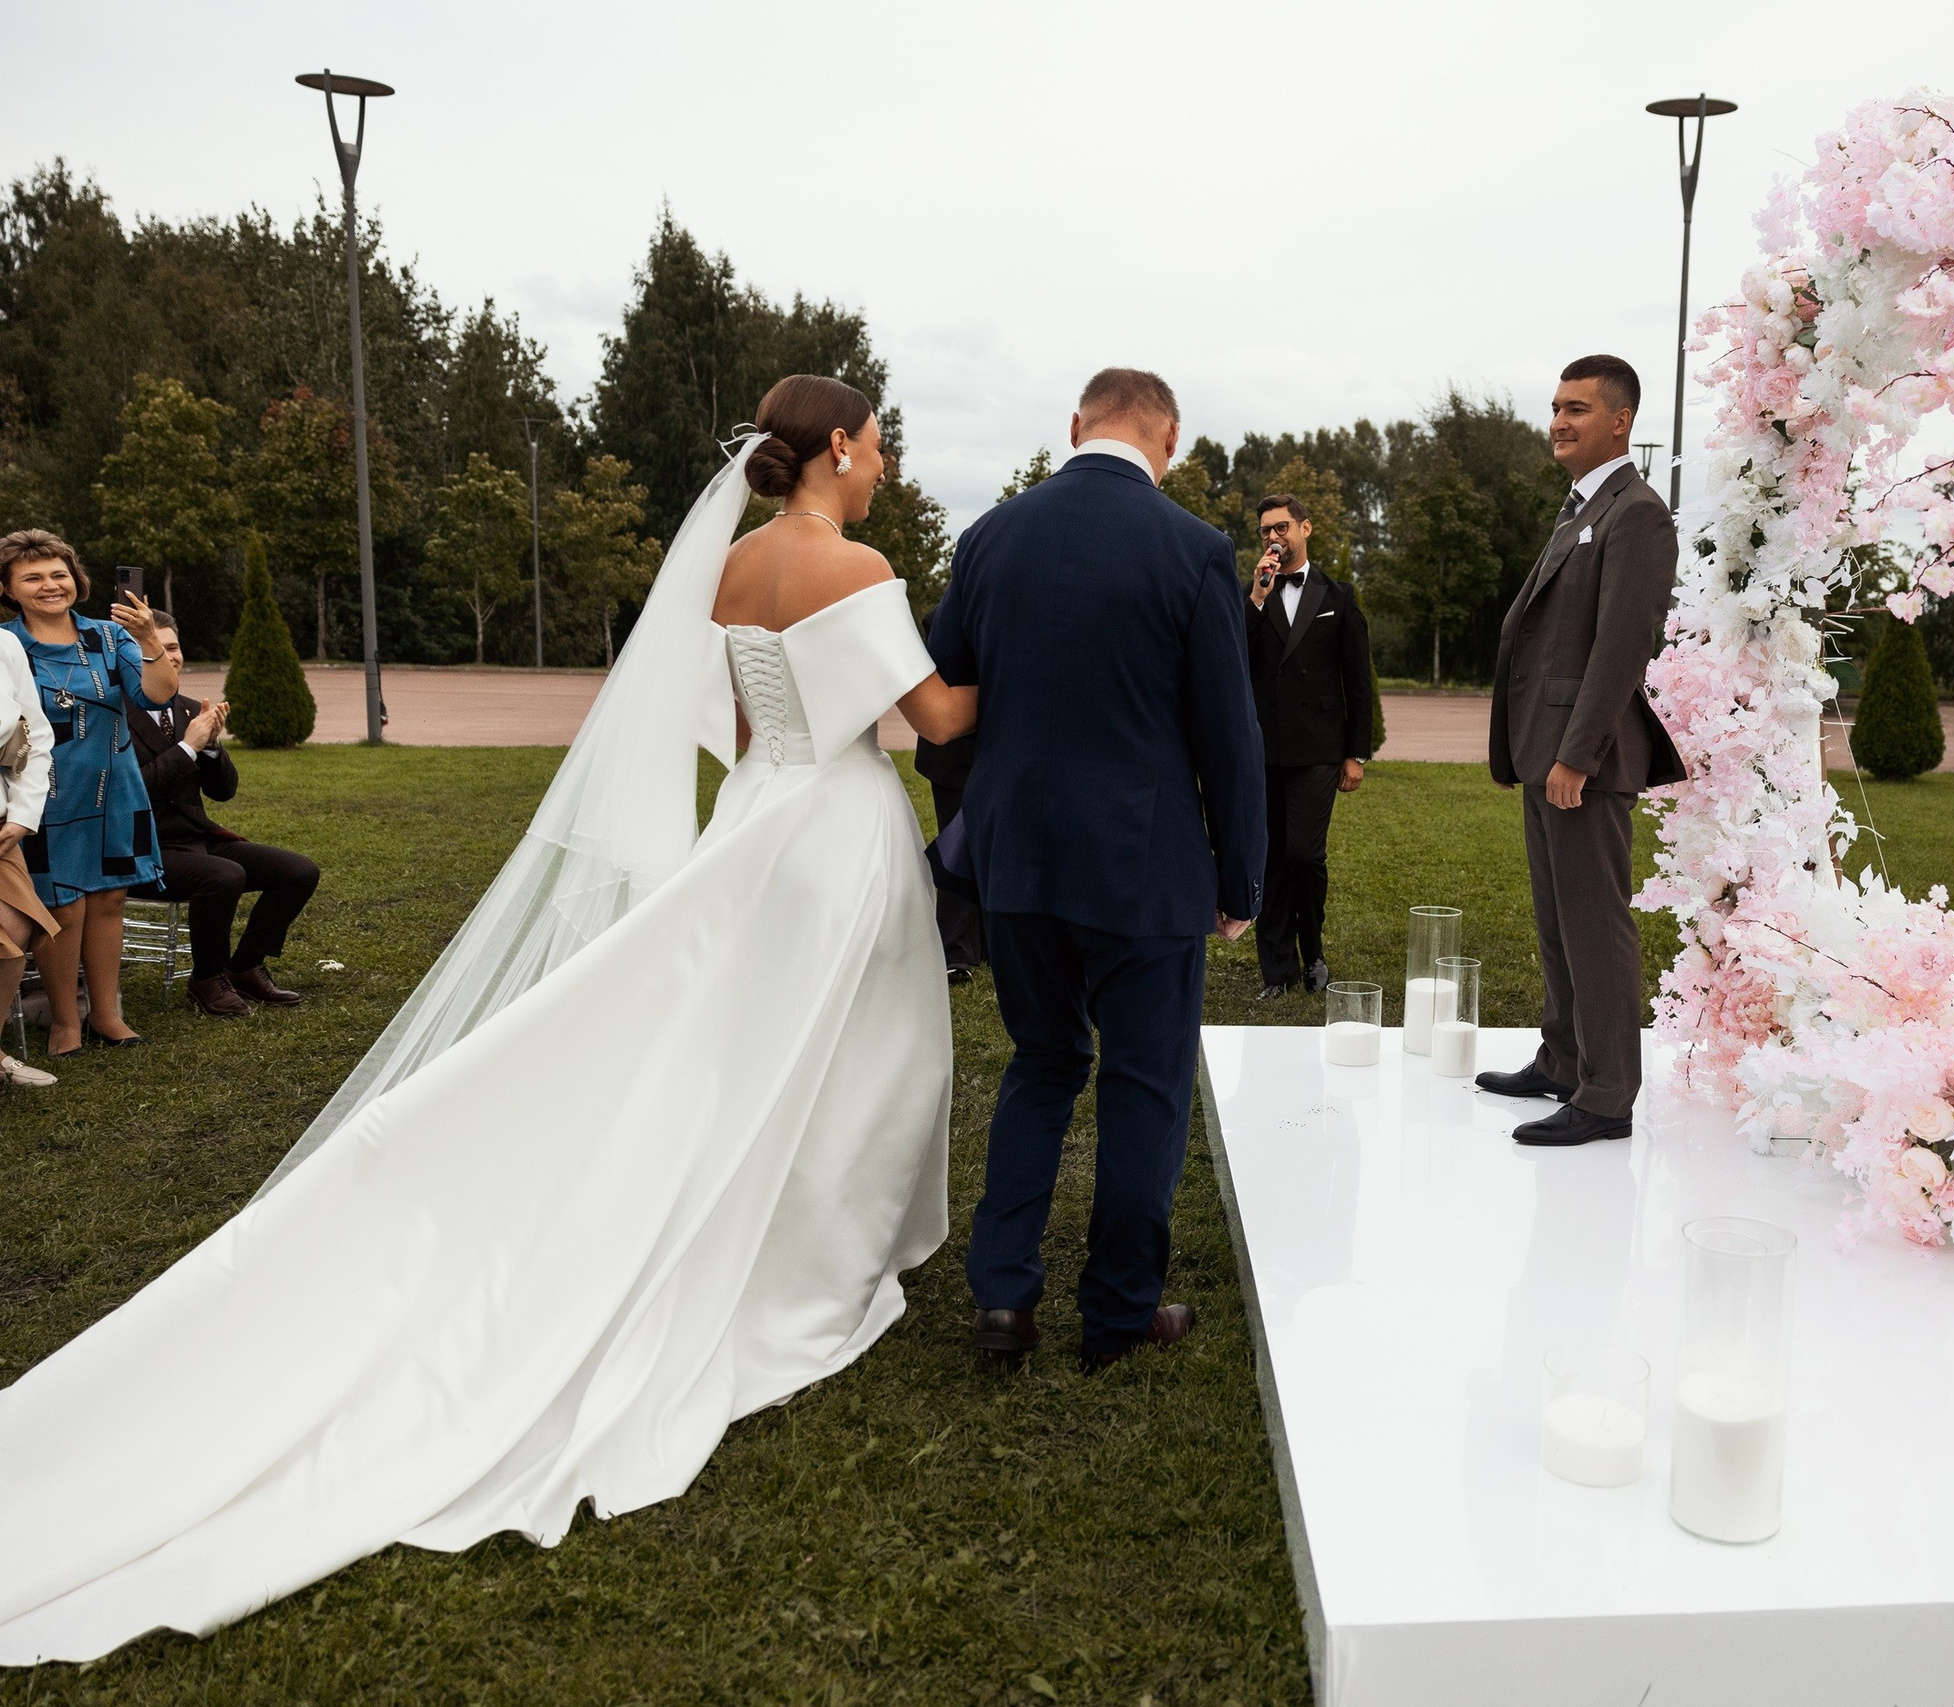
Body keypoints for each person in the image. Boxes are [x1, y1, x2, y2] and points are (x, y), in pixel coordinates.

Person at [0, 375, 977, 1665]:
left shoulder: (735, 564)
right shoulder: (852, 561)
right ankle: (819, 1254)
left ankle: (778, 1218)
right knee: (861, 1045)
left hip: (760, 816)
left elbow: (743, 726)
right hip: (840, 829)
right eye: (877, 439)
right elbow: (938, 720)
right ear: (839, 446)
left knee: (750, 1040)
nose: (885, 458)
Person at [929, 366, 1264, 1372]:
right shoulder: (1195, 549)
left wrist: (976, 827)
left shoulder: (988, 536)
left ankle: (1002, 1303)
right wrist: (1239, 884)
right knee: (1144, 1084)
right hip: (1143, 866)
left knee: (1039, 1065)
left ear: (1076, 427)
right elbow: (1228, 736)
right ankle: (1118, 1314)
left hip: (1017, 862)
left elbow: (950, 701)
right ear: (1167, 443)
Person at [1476, 356, 1685, 1147]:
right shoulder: (1581, 507)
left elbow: (1621, 646)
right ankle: (1563, 1059)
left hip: (1582, 758)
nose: (1558, 420)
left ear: (1620, 420)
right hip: (1544, 749)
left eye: (1577, 407)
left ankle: (1606, 1094)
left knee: (1595, 922)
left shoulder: (1636, 512)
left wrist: (1577, 753)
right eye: (1556, 405)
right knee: (1557, 918)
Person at [0, 530, 179, 1057]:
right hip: (47, 798)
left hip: (116, 788)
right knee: (63, 906)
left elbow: (156, 694)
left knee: (109, 900)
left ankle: (106, 1013)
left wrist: (148, 638)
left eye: (59, 574)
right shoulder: (8, 646)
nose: (50, 585)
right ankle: (64, 1022)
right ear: (8, 588)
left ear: (76, 579)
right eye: (32, 577)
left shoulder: (108, 634)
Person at [125, 611, 323, 1020]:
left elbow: (223, 791)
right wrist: (185, 750)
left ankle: (246, 965)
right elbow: (128, 795)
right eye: (154, 648)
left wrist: (211, 746)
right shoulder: (109, 716)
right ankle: (206, 979)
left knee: (298, 871)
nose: (168, 657)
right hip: (139, 846)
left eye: (173, 647)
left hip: (196, 839)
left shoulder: (186, 709)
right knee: (222, 875)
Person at [1243, 492, 1374, 1000]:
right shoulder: (1253, 595)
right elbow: (1233, 651)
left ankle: (1313, 950)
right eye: (1265, 532)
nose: (1273, 538)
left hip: (1319, 750)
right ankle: (1277, 969)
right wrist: (1257, 595)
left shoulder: (1338, 596)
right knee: (1270, 856)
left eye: (1281, 528)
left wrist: (1355, 754)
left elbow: (1357, 681)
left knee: (1303, 853)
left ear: (1305, 529)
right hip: (1263, 750)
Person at [0, 622, 59, 1088]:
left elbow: (34, 736)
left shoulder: (4, 644)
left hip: (1, 824)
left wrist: (23, 814)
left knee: (16, 926)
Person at [912, 728, 982, 983]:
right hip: (953, 748)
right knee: (955, 836)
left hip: (1007, 740)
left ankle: (983, 941)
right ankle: (955, 949)